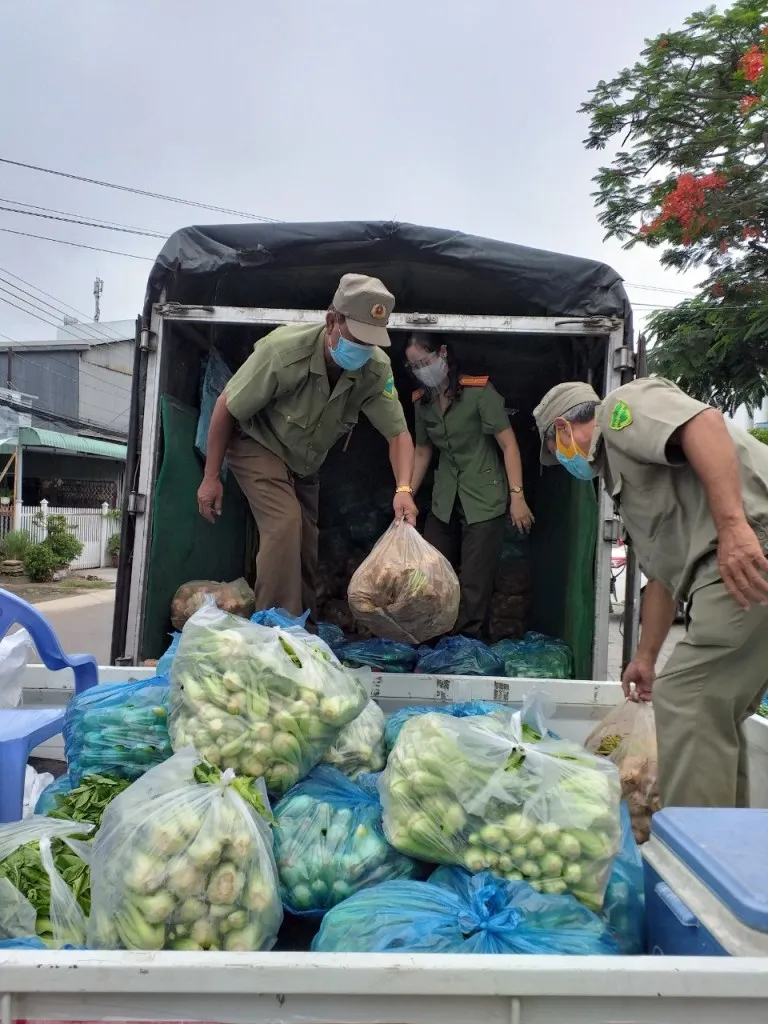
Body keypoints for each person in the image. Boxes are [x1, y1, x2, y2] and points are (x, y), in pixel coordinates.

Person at [533, 376, 768, 809]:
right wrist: (644, 656)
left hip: (748, 550)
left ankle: (698, 856)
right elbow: (661, 575)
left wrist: (734, 526)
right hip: (728, 567)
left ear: (563, 429)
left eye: (556, 451)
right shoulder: (621, 476)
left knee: (687, 698)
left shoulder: (622, 411)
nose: (564, 462)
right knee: (714, 712)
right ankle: (720, 851)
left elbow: (704, 424)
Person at [197, 273, 418, 624]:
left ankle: (303, 628)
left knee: (304, 543)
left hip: (303, 463)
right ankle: (274, 630)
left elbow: (398, 435)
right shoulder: (283, 351)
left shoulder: (375, 369)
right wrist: (211, 477)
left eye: (371, 343)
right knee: (284, 525)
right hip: (257, 442)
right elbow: (226, 405)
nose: (362, 350)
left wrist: (404, 488)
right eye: (356, 338)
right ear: (332, 320)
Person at [407, 332, 534, 641]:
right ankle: (433, 639)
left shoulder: (478, 391)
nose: (422, 370)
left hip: (484, 495)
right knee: (431, 572)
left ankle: (465, 647)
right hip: (445, 498)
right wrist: (405, 495)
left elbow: (509, 445)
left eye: (425, 361)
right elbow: (422, 451)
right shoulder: (421, 402)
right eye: (414, 366)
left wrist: (517, 496)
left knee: (474, 581)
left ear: (443, 353)